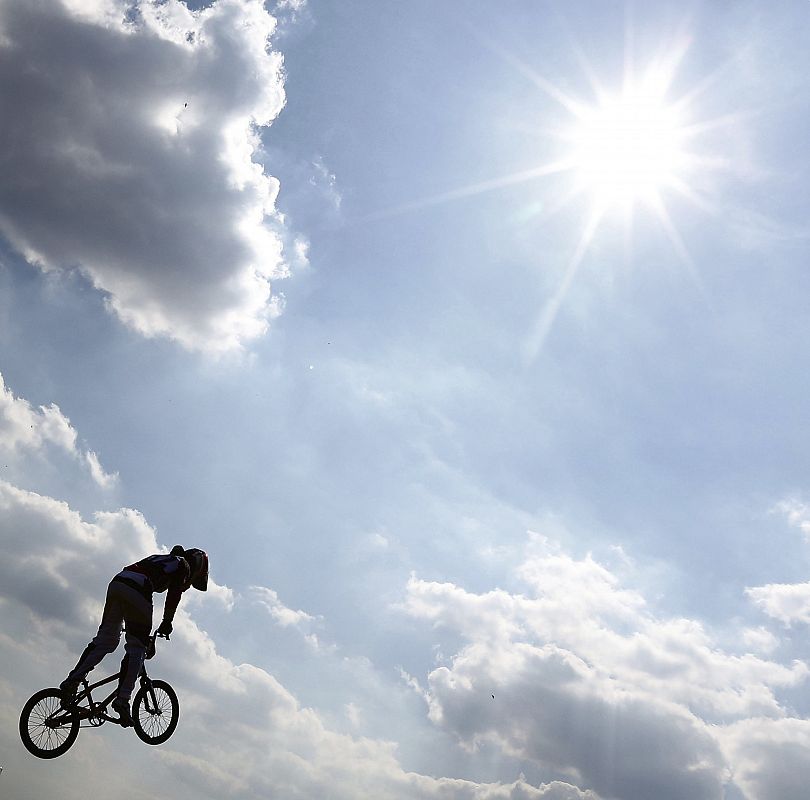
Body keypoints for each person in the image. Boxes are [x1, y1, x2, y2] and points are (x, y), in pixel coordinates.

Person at [59, 546, 208, 726]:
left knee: (107, 639)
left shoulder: (162, 559)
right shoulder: (182, 565)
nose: (189, 585)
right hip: (138, 587)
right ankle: (122, 700)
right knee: (137, 648)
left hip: (118, 582)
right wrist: (167, 622)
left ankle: (72, 681)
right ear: (198, 566)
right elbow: (174, 594)